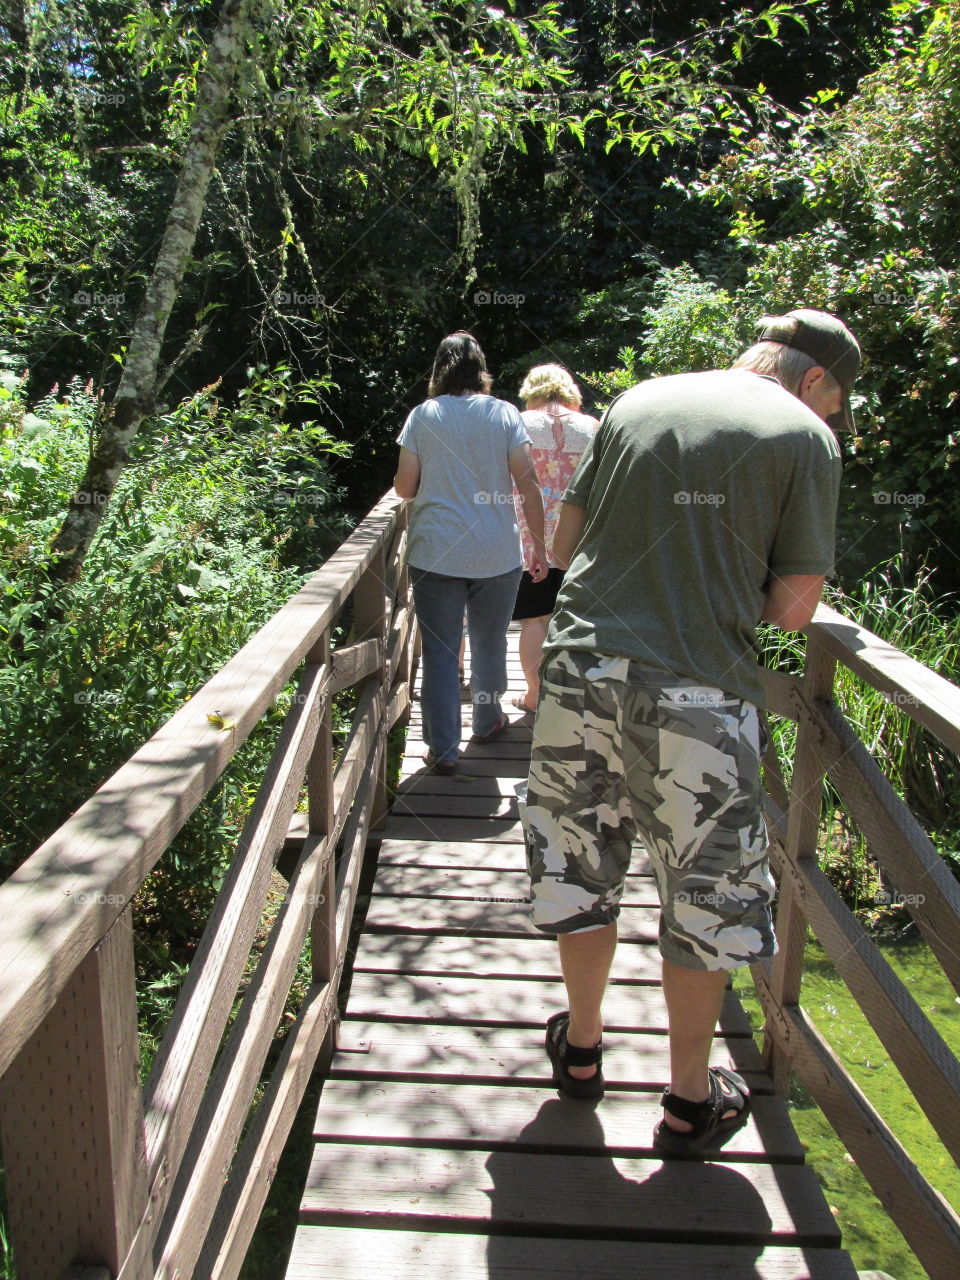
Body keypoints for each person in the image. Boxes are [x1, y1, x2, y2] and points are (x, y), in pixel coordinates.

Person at [522, 308, 860, 1156]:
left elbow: (565, 542)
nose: (831, 420)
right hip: (698, 694)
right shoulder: (806, 440)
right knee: (704, 899)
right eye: (836, 403)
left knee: (580, 864)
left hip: (580, 666)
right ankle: (686, 1103)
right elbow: (794, 610)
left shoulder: (639, 400)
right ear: (814, 379)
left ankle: (584, 1050)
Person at [393, 332, 547, 775]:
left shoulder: (424, 415)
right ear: (480, 369)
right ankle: (486, 720)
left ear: (439, 369)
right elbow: (528, 483)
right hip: (497, 553)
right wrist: (536, 545)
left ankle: (443, 750)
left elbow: (404, 487)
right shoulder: (504, 413)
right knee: (489, 640)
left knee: (441, 652)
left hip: (436, 551)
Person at [511, 364, 599, 713]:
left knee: (535, 620)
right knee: (576, 619)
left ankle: (534, 696)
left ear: (532, 390)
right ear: (570, 391)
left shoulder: (518, 423)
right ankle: (573, 701)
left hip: (529, 542)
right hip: (578, 540)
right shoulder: (592, 427)